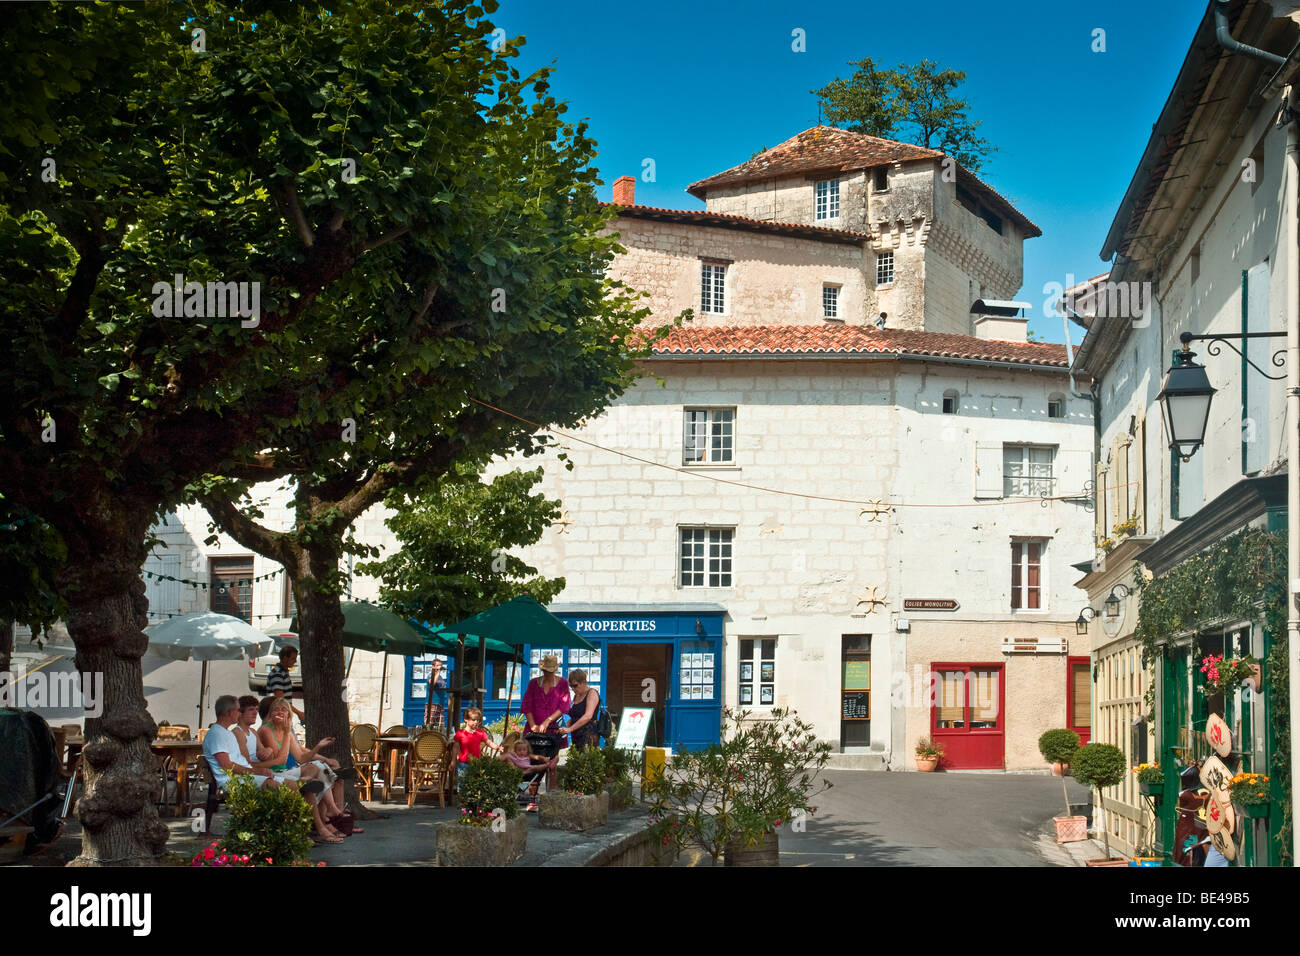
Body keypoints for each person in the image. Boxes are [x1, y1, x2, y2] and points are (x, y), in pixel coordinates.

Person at [258, 697, 358, 841]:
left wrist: (318, 746)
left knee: (318, 767)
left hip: (287, 771)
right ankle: (331, 814)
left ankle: (326, 802)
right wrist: (287, 734)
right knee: (320, 778)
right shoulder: (266, 730)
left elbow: (301, 758)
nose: (279, 712)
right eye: (276, 709)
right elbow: (281, 760)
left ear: (288, 715)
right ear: (271, 713)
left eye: (284, 709)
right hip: (274, 773)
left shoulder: (289, 734)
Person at [202, 695, 323, 796]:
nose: (240, 713)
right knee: (278, 785)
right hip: (234, 780)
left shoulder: (226, 732)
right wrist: (257, 771)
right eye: (238, 710)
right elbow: (227, 766)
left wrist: (266, 754)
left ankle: (319, 823)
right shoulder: (216, 734)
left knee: (300, 786)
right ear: (230, 712)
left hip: (246, 776)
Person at [503, 736, 550, 811]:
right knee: (511, 763)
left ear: (527, 750)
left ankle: (548, 765)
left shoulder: (528, 756)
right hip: (518, 772)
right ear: (515, 750)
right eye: (519, 750)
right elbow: (507, 755)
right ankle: (521, 772)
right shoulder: (515, 757)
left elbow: (537, 757)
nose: (522, 752)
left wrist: (544, 759)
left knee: (534, 767)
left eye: (524, 750)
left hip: (528, 772)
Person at [454, 708, 503, 775]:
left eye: (478, 720)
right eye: (473, 720)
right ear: (466, 719)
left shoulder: (480, 733)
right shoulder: (460, 733)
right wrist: (453, 761)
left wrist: (497, 747)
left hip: (476, 762)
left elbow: (488, 742)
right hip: (463, 762)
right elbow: (455, 748)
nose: (476, 722)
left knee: (473, 781)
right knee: (462, 782)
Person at [563, 670, 601, 751]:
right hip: (576, 735)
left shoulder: (592, 693)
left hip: (588, 735)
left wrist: (570, 729)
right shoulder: (577, 695)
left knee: (585, 760)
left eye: (575, 685)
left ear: (584, 682)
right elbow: (576, 715)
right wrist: (567, 724)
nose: (573, 689)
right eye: (571, 686)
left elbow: (588, 716)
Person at [267, 644, 305, 723]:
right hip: (277, 717)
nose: (295, 661)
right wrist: (299, 713)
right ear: (285, 658)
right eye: (293, 658)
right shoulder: (277, 674)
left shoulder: (283, 672)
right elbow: (280, 699)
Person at [424, 658, 448, 730]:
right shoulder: (430, 675)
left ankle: (437, 740)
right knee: (429, 724)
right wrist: (438, 672)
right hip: (432, 703)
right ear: (433, 666)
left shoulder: (440, 677)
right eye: (437, 666)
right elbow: (432, 683)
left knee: (440, 726)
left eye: (440, 666)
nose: (439, 667)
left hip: (440, 703)